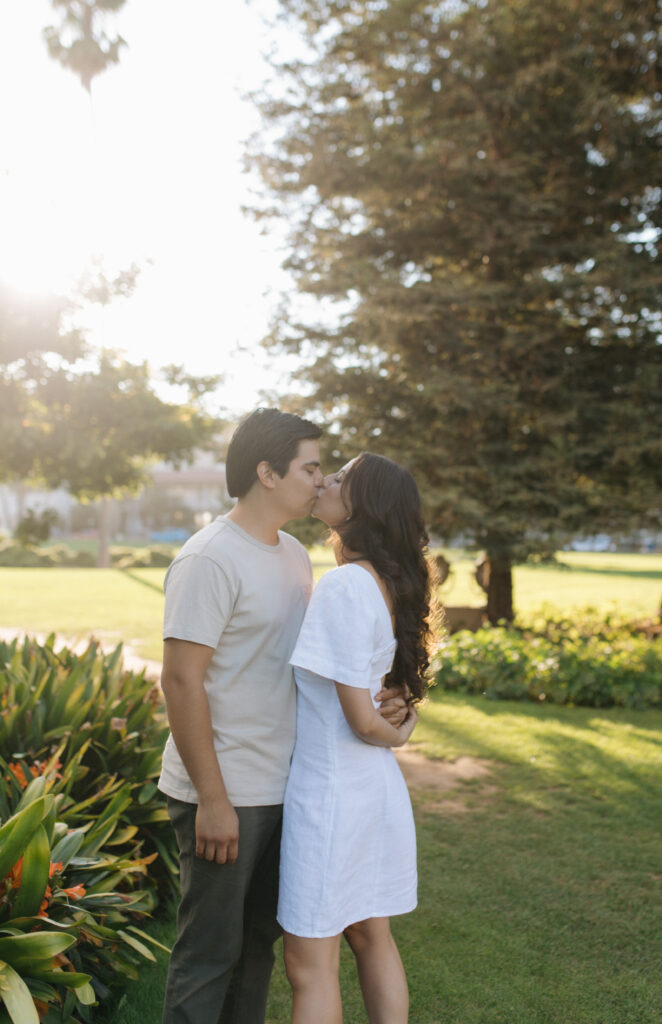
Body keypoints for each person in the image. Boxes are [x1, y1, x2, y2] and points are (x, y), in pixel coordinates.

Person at [158, 410, 407, 1024]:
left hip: (287, 790)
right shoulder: (209, 559)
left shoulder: (296, 554)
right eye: (311, 467)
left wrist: (389, 697)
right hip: (226, 790)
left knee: (256, 954)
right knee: (208, 953)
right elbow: (180, 681)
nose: (320, 481)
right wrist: (213, 800)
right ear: (267, 473)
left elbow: (329, 660)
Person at [277, 452, 431, 1024]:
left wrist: (396, 733)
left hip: (332, 795)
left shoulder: (344, 585)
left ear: (362, 506)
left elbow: (361, 720)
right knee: (372, 937)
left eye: (340, 477)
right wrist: (402, 724)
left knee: (308, 964)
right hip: (371, 791)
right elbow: (381, 698)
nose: (326, 481)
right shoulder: (387, 581)